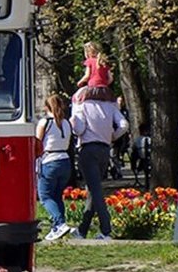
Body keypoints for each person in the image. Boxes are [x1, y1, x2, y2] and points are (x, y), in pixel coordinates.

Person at [69, 89, 128, 240]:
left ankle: (106, 229)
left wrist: (74, 116)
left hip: (88, 149)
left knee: (95, 191)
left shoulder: (83, 106)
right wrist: (112, 136)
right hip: (104, 150)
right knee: (92, 190)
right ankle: (82, 230)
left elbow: (79, 129)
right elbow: (124, 124)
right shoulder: (110, 106)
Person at [36, 94, 73, 241]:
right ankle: (57, 227)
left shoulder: (45, 122)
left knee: (45, 196)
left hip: (49, 160)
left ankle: (60, 223)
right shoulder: (66, 123)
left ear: (46, 107)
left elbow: (38, 143)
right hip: (64, 159)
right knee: (57, 195)